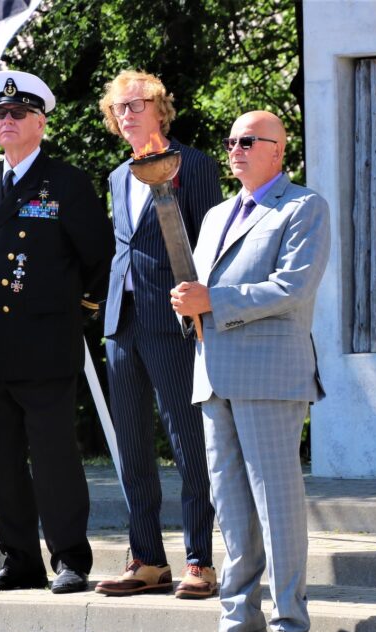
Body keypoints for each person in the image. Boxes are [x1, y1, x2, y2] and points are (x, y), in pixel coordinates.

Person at [172, 111, 330, 632]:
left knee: (276, 505)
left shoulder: (303, 207)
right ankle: (240, 621)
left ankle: (290, 625)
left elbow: (292, 287)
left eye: (247, 141)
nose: (235, 149)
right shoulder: (216, 214)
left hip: (269, 375)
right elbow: (199, 290)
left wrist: (212, 301)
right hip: (213, 375)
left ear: (277, 151)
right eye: (230, 141)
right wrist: (187, 304)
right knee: (231, 506)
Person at [0, 70, 109, 595]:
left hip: (44, 343)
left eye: (18, 113)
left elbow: (99, 257)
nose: (6, 120)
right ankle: (19, 559)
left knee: (53, 458)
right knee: (1, 460)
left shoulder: (65, 182)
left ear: (40, 122)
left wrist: (75, 312)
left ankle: (69, 557)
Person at [94, 70, 222, 600]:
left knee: (190, 445)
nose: (126, 114)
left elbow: (211, 242)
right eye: (118, 108)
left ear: (160, 108)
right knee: (131, 448)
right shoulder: (117, 175)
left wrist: (205, 306)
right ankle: (146, 558)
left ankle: (199, 561)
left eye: (136, 104)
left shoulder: (194, 165)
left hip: (174, 321)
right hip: (121, 323)